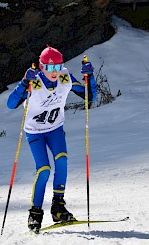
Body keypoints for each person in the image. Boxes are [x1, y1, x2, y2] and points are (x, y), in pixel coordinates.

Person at [7, 45, 97, 232]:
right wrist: (24, 83)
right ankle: (35, 213)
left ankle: (58, 208)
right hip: (35, 132)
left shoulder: (65, 78)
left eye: (57, 66)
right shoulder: (35, 82)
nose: (54, 72)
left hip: (55, 129)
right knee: (44, 170)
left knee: (62, 160)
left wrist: (90, 78)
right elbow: (10, 104)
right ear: (41, 67)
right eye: (49, 68)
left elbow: (89, 97)